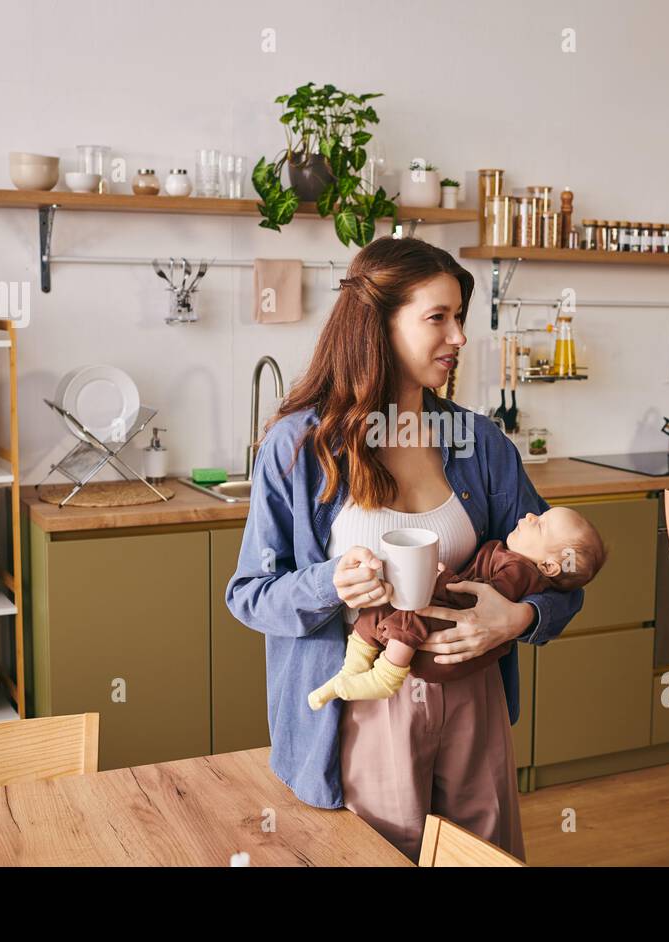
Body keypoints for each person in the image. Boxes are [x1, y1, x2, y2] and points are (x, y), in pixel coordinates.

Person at [225, 236, 586, 862]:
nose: (459, 338)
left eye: (460, 318)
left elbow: (567, 574)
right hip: (365, 707)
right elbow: (249, 596)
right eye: (437, 318)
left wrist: (520, 618)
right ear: (379, 325)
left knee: (484, 857)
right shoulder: (298, 448)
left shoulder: (480, 444)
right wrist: (329, 583)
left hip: (475, 697)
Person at [308, 506, 606, 707]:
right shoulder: (511, 554)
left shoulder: (520, 571)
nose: (529, 515)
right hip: (445, 629)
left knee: (413, 614)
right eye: (539, 515)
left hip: (444, 646)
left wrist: (443, 578)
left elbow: (482, 603)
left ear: (551, 566)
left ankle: (386, 676)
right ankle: (351, 671)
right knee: (378, 606)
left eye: (540, 525)